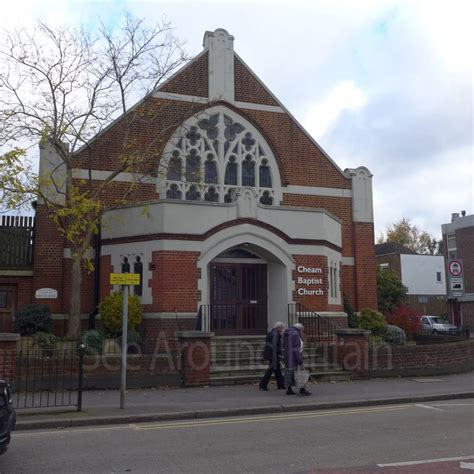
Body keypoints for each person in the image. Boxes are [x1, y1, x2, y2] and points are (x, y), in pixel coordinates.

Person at [283, 323, 311, 396]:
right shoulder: (295, 334)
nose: (302, 332)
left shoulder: (287, 333)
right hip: (294, 357)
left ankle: (289, 389)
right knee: (301, 373)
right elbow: (296, 349)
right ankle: (303, 389)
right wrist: (299, 359)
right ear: (300, 329)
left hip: (288, 356)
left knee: (289, 373)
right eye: (302, 330)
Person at [259, 322, 286, 391]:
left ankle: (281, 384)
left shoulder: (271, 332)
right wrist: (278, 354)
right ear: (278, 327)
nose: (282, 330)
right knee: (270, 370)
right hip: (273, 355)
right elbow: (274, 346)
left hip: (271, 354)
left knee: (277, 370)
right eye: (281, 328)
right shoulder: (275, 334)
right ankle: (263, 384)